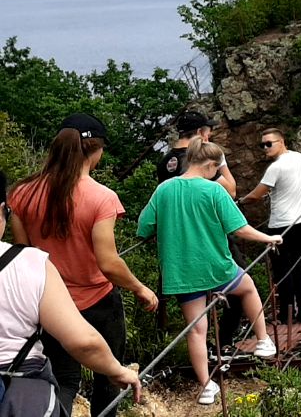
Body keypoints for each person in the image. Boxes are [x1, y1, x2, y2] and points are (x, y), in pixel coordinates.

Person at [7, 114, 157, 417]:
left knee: (63, 379)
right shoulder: (101, 197)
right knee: (109, 377)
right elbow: (108, 263)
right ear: (96, 150)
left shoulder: (22, 193)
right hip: (98, 302)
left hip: (48, 306)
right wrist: (141, 288)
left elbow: (26, 254)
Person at [137, 137, 281, 405]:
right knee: (247, 286)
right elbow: (239, 228)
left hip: (181, 272)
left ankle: (205, 387)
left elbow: (143, 228)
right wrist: (268, 238)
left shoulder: (164, 189)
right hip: (217, 268)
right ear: (212, 165)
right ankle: (263, 341)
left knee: (196, 330)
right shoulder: (214, 191)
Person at [1, 173, 142, 416]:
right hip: (18, 389)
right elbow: (83, 342)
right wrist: (117, 370)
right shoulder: (28, 262)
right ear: (3, 210)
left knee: (66, 379)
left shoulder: (26, 192)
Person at [155, 110, 244, 359]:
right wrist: (222, 164)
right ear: (202, 133)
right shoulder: (200, 158)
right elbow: (231, 191)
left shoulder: (166, 161)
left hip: (175, 240)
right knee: (240, 284)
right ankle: (223, 343)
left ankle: (194, 350)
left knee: (193, 303)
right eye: (209, 130)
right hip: (209, 235)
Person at [239, 129, 301, 324]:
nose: (265, 148)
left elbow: (256, 196)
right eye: (262, 145)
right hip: (300, 222)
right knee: (298, 264)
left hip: (279, 228)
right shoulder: (298, 158)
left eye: (269, 143)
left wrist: (239, 202)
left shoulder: (275, 168)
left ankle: (285, 315)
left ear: (281, 141)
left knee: (282, 271)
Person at [156, 111, 235, 195]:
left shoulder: (164, 161)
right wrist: (221, 161)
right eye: (208, 135)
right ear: (199, 132)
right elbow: (231, 192)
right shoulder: (198, 159)